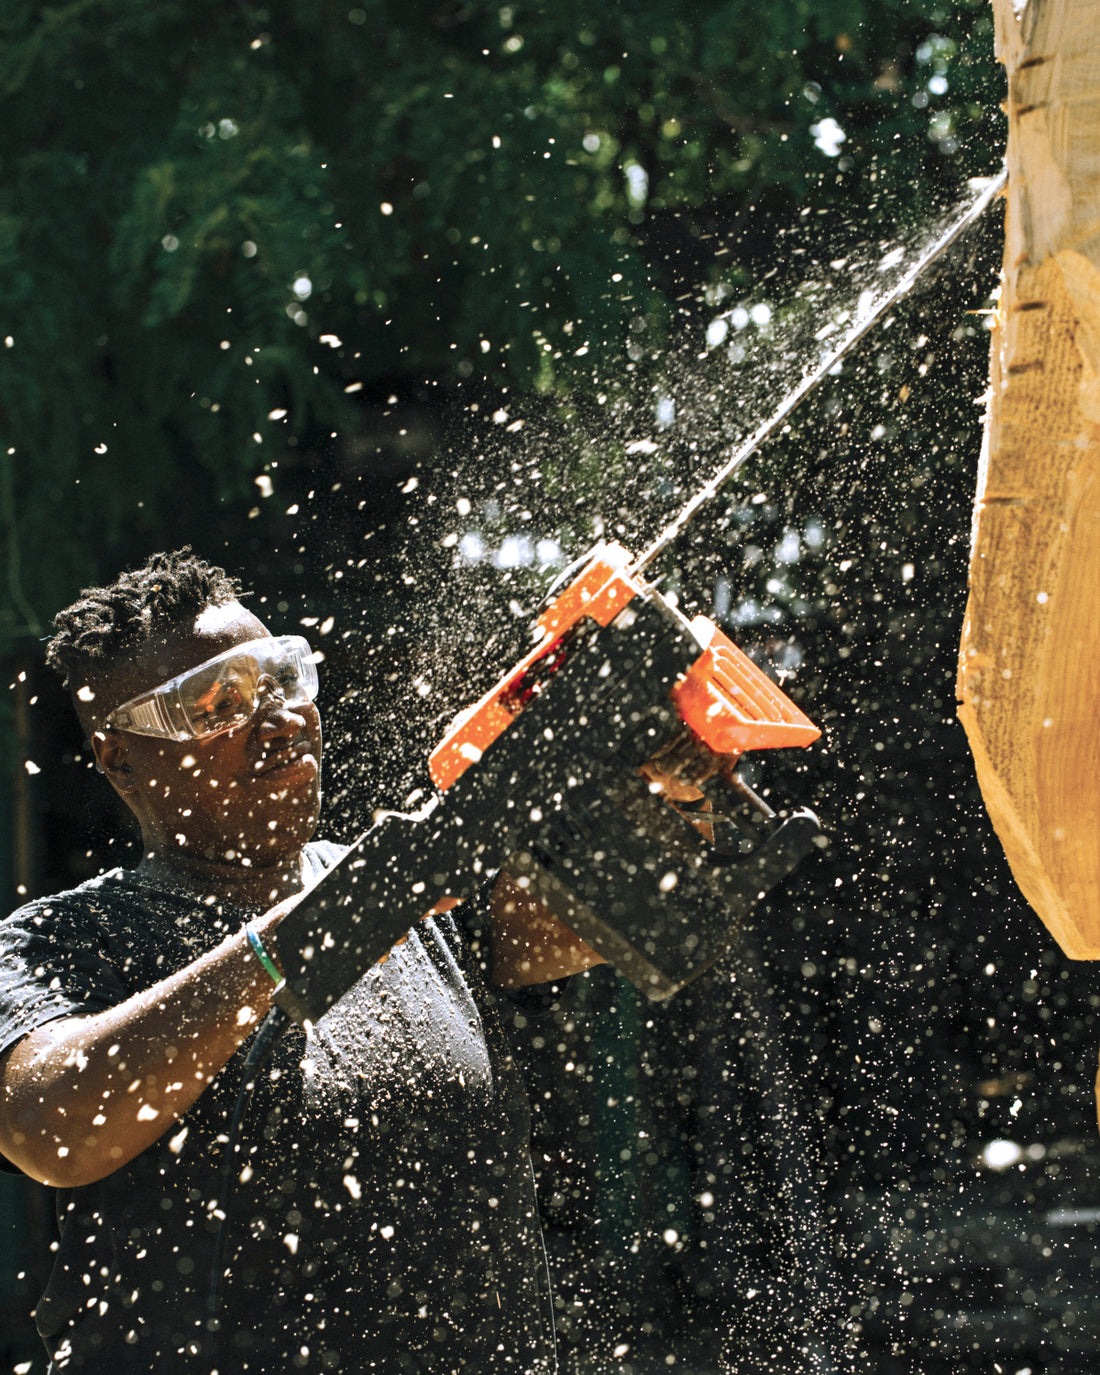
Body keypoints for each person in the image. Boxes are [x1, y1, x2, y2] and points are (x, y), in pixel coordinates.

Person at [0, 549, 606, 1374]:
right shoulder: (64, 939)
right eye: (218, 703)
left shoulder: (404, 890)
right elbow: (51, 1128)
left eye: (281, 676)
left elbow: (626, 917)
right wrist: (284, 944)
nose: (278, 717)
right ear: (121, 758)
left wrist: (668, 791)